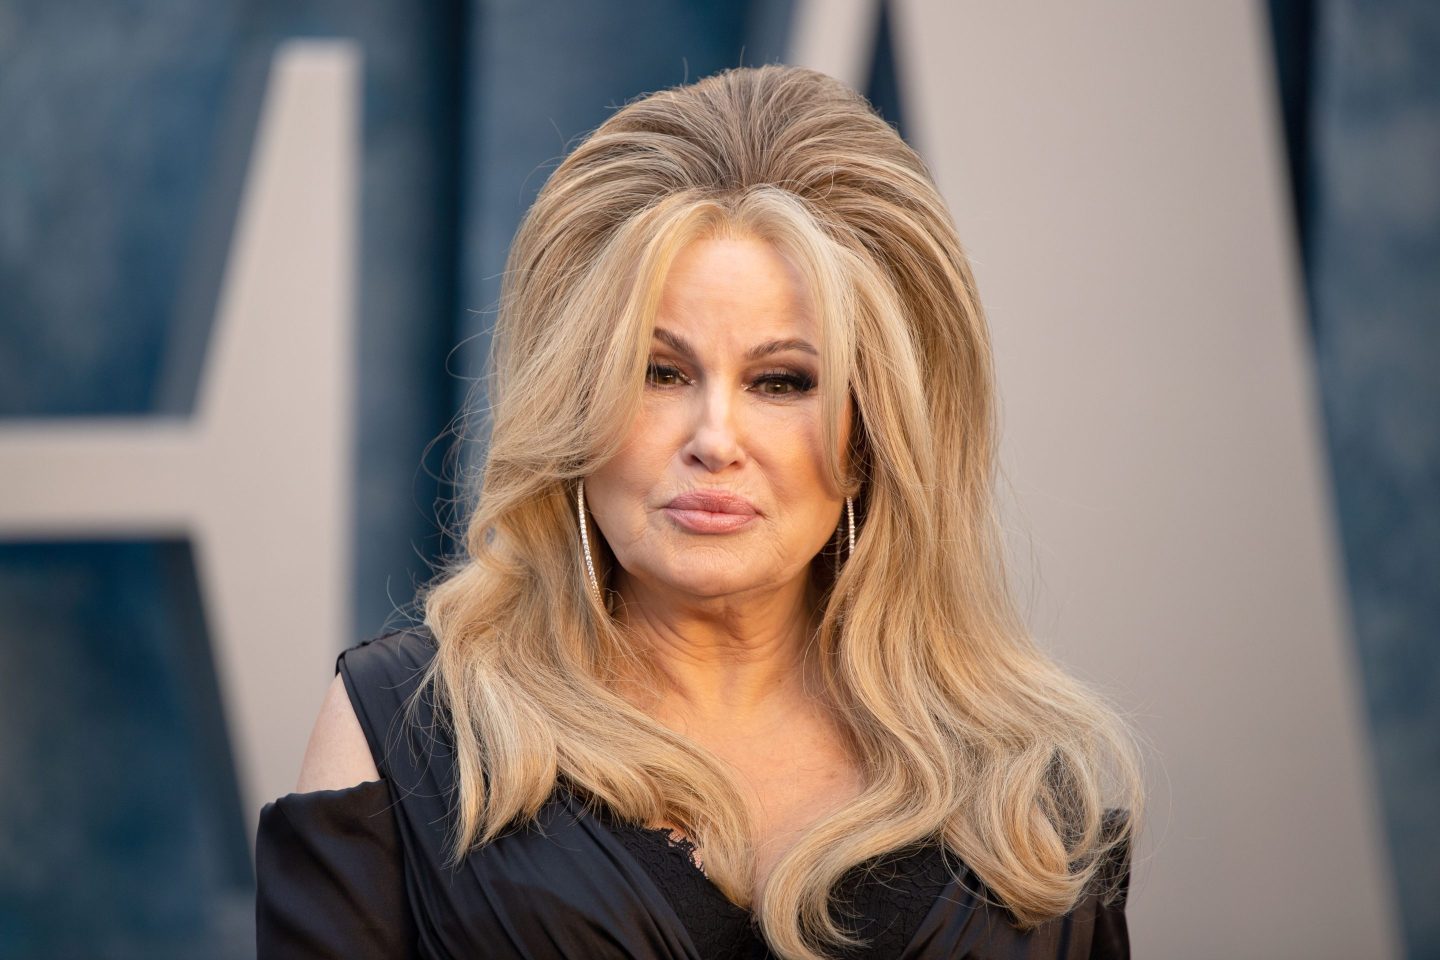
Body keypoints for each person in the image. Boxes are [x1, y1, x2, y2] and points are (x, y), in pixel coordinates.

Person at [256, 64, 1143, 959]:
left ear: (875, 431)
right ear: (573, 402)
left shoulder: (1025, 798)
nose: (715, 439)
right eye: (660, 372)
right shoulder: (406, 732)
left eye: (781, 381)